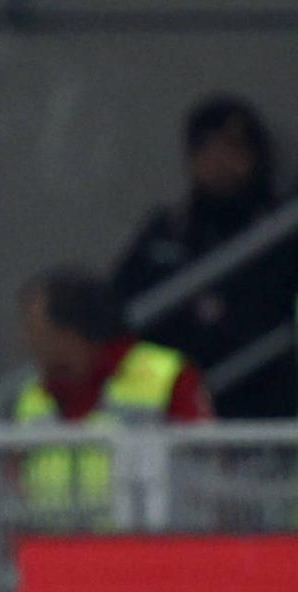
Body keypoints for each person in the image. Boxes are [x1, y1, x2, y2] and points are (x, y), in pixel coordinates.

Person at [112, 95, 289, 416]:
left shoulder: (281, 232)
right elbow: (120, 308)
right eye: (206, 149)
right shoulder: (166, 232)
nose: (219, 162)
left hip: (269, 399)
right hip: (180, 405)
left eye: (233, 149)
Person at [15, 264, 210, 523]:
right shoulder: (32, 396)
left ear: (70, 333)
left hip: (144, 546)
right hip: (51, 547)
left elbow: (205, 474)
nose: (27, 342)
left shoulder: (168, 376)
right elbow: (15, 486)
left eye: (34, 329)